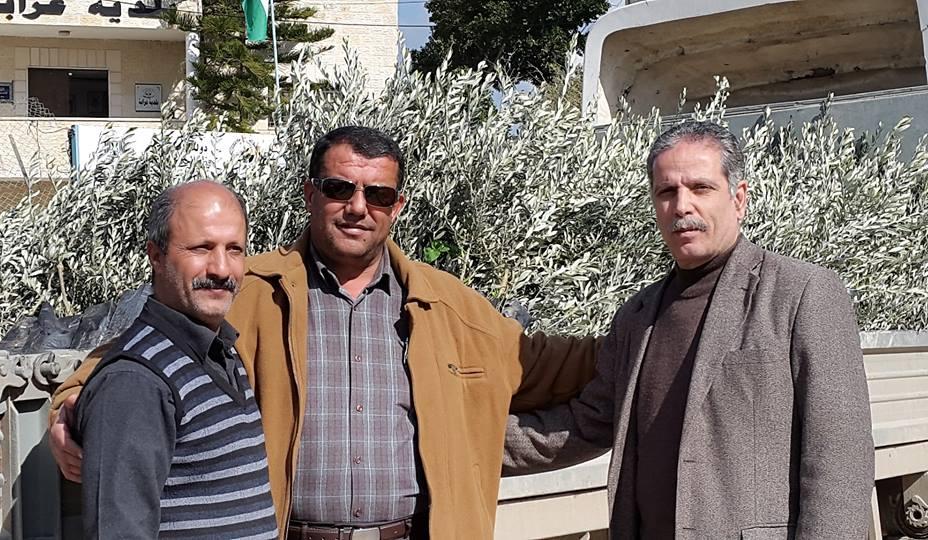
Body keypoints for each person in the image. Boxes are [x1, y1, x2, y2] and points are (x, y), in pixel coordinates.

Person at [51, 126, 601, 539]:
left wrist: (645, 331)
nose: (358, 207)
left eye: (378, 195)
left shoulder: (446, 306)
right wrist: (66, 408)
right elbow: (129, 359)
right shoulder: (250, 289)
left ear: (397, 207)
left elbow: (552, 364)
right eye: (340, 188)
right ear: (310, 194)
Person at [503, 120, 874, 539]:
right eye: (667, 192)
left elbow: (840, 459)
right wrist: (462, 435)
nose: (682, 206)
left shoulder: (802, 293)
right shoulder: (637, 317)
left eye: (700, 188)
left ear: (738, 198)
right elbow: (584, 424)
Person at [73, 181, 278, 538]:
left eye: (234, 250)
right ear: (156, 255)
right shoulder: (136, 382)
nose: (221, 269)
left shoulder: (222, 352)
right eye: (201, 248)